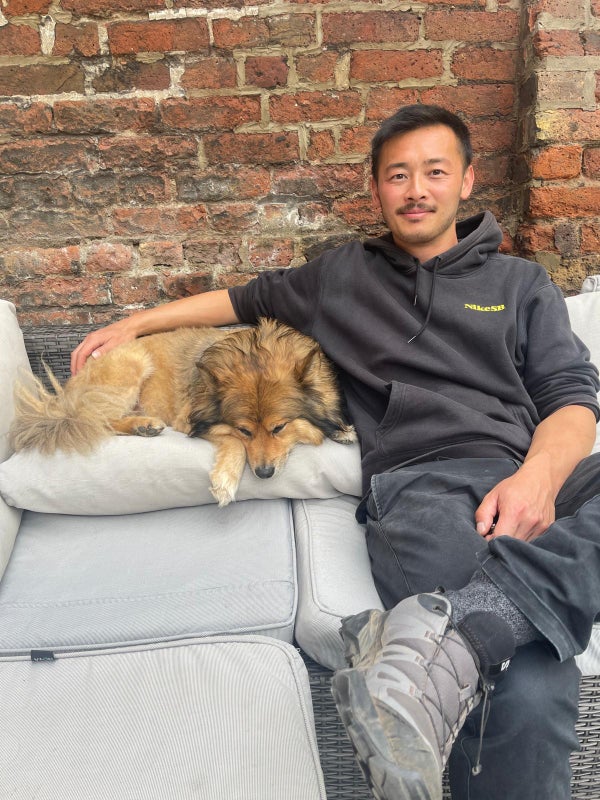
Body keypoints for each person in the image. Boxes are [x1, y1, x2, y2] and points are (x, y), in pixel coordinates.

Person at [72, 104, 600, 800]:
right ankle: (479, 635)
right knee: (532, 680)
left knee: (504, 644)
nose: (416, 190)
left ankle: (459, 634)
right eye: (398, 175)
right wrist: (134, 324)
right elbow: (239, 300)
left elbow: (571, 398)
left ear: (467, 180)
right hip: (423, 482)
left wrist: (537, 478)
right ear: (376, 188)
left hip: (529, 466)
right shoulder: (341, 277)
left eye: (435, 172)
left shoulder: (522, 284)